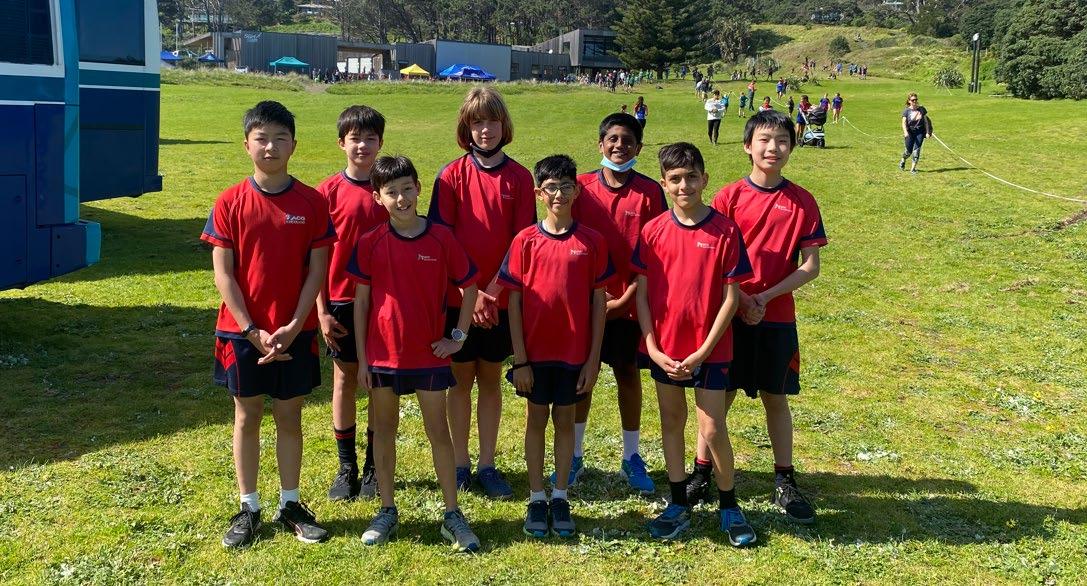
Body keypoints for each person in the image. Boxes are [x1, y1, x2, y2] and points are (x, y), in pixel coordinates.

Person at [204, 101, 334, 548]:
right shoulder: (229, 201)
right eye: (261, 139)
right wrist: (250, 329)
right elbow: (223, 274)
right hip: (241, 332)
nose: (271, 147)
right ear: (247, 145)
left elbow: (317, 272)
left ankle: (291, 504)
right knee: (247, 416)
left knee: (289, 415)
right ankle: (249, 507)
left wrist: (294, 326)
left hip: (295, 332)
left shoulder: (312, 202)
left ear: (294, 145)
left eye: (280, 139)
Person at [689, 110, 827, 527]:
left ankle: (785, 480)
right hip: (728, 315)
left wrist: (765, 296)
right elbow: (712, 258)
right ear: (748, 146)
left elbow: (810, 266)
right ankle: (701, 472)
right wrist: (742, 299)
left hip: (776, 315)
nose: (773, 148)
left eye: (782, 140)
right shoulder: (728, 197)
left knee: (775, 396)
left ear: (792, 147)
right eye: (764, 140)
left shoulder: (802, 201)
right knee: (718, 398)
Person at [347, 155, 482, 552]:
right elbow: (361, 303)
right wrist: (363, 359)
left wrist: (458, 337)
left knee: (438, 431)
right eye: (392, 192)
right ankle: (386, 510)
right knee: (383, 430)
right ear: (378, 198)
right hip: (383, 357)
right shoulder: (370, 242)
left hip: (429, 356)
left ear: (419, 188)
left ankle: (452, 513)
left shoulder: (441, 238)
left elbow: (470, 288)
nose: (402, 198)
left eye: (407, 189)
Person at [634, 142, 755, 545]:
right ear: (664, 184)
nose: (683, 185)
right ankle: (678, 503)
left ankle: (729, 505)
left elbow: (732, 299)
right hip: (665, 350)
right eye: (675, 179)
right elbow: (642, 295)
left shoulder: (726, 231)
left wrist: (703, 351)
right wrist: (653, 349)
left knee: (713, 427)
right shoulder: (652, 231)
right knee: (672, 422)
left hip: (711, 351)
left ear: (704, 179)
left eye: (691, 177)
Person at [429, 87, 536, 500]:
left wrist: (492, 293)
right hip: (460, 303)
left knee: (490, 380)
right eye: (477, 122)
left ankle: (488, 464)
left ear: (503, 125)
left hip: (500, 302)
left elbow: (521, 242)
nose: (485, 129)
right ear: (466, 127)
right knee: (460, 382)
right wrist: (471, 295)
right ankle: (460, 463)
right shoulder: (450, 176)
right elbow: (443, 241)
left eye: (492, 121)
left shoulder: (520, 177)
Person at [500, 155, 610, 539]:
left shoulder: (592, 242)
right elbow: (513, 303)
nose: (559, 194)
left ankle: (560, 495)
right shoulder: (524, 241)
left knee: (565, 421)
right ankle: (536, 496)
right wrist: (521, 360)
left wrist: (592, 361)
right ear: (538, 193)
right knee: (536, 421)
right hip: (534, 356)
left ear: (577, 190)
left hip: (574, 355)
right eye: (551, 187)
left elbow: (599, 304)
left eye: (566, 186)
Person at [566, 113, 668, 495]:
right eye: (612, 138)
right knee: (584, 378)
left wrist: (626, 298)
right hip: (585, 304)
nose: (619, 145)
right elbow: (567, 243)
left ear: (638, 147)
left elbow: (657, 253)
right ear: (600, 144)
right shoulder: (580, 188)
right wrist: (587, 299)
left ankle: (631, 456)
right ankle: (574, 454)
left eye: (627, 140)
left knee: (627, 372)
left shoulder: (650, 192)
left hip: (629, 303)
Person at [316, 105, 388, 503]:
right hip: (340, 299)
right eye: (355, 139)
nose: (362, 146)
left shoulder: (390, 189)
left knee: (376, 381)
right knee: (344, 380)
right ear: (341, 143)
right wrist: (322, 311)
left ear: (380, 143)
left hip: (383, 302)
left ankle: (375, 465)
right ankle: (347, 466)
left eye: (370, 139)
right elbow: (315, 259)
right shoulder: (327, 192)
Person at [899, 92, 933, 173]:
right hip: (910, 132)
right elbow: (903, 123)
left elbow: (926, 121)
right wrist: (905, 132)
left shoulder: (922, 109)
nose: (914, 101)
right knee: (908, 152)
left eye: (916, 99)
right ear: (909, 101)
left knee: (916, 150)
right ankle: (903, 160)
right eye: (913, 100)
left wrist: (928, 132)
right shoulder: (906, 111)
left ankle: (913, 169)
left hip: (919, 132)